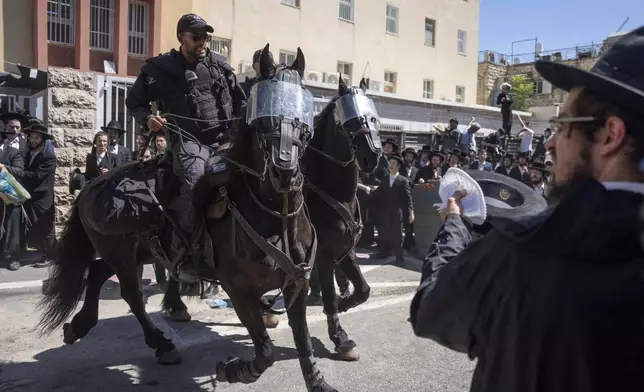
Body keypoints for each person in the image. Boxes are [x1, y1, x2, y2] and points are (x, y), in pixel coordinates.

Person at [410, 26, 644, 392]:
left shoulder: (528, 250)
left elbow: (432, 310)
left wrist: (455, 223)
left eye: (563, 124)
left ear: (610, 135)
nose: (549, 143)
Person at [125, 13, 246, 282]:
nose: (203, 42)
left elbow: (241, 102)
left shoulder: (221, 66)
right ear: (181, 37)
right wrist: (148, 118)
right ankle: (188, 254)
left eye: (206, 37)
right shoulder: (160, 69)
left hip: (225, 140)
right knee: (195, 180)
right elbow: (134, 102)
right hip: (189, 142)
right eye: (196, 36)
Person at [21, 124, 56, 268]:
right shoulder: (29, 153)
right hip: (32, 194)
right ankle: (43, 251)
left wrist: (17, 172)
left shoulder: (48, 156)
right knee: (35, 224)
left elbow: (37, 175)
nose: (33, 140)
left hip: (43, 196)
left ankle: (52, 255)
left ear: (43, 139)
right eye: (32, 137)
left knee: (46, 225)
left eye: (36, 137)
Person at [372, 154, 413, 265]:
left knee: (397, 235)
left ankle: (399, 257)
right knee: (383, 233)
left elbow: (408, 197)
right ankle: (383, 253)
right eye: (390, 163)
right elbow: (379, 192)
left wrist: (411, 213)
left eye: (394, 163)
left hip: (396, 212)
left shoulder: (403, 180)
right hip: (385, 211)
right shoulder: (385, 179)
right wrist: (369, 191)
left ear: (398, 166)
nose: (391, 165)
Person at [0, 126, 24, 271]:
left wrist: (3, 167)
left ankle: (13, 258)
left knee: (12, 225)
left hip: (10, 195)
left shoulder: (14, 152)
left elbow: (20, 171)